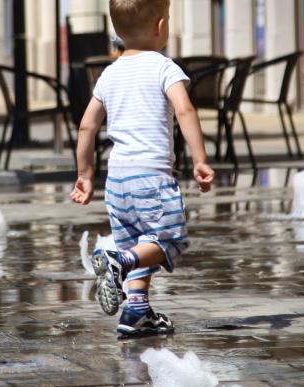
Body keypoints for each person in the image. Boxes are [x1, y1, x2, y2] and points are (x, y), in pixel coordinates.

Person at [69, 0, 214, 336]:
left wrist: (85, 175)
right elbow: (186, 111)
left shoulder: (110, 73)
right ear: (160, 26)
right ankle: (119, 264)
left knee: (137, 240)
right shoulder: (165, 68)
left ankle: (136, 312)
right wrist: (200, 159)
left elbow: (87, 127)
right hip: (152, 175)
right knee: (169, 239)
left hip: (117, 180)